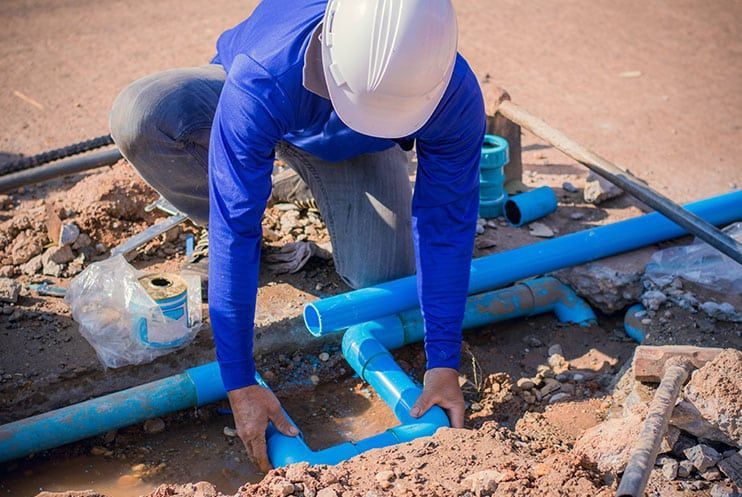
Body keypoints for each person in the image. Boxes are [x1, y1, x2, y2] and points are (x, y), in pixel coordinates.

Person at [110, 0, 485, 472]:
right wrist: (239, 379)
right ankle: (252, 168)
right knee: (144, 113)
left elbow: (445, 223)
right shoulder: (263, 74)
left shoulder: (451, 88)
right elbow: (234, 228)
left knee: (383, 278)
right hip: (269, 102)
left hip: (356, 148)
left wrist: (444, 362)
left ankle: (279, 175)